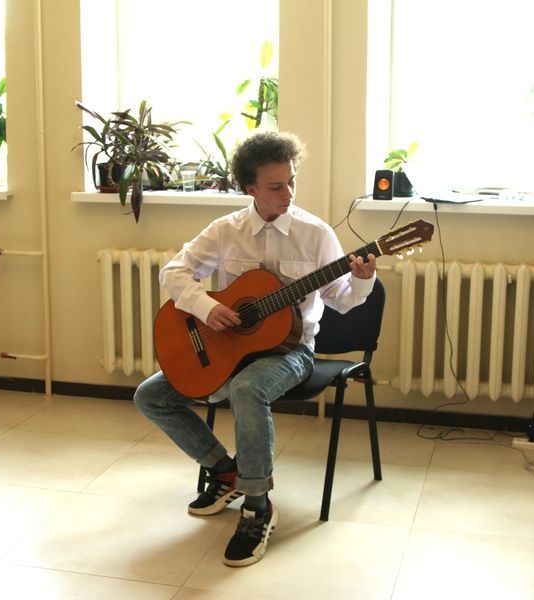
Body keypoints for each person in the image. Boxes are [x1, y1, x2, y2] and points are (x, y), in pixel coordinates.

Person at [133, 131, 376, 567]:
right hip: (228, 345)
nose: (288, 194)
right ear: (250, 188)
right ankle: (226, 471)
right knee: (150, 396)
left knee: (248, 388)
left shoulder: (315, 233)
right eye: (276, 186)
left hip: (292, 352)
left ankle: (257, 506)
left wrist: (362, 279)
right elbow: (173, 273)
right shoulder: (226, 231)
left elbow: (341, 300)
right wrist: (207, 307)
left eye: (292, 182)